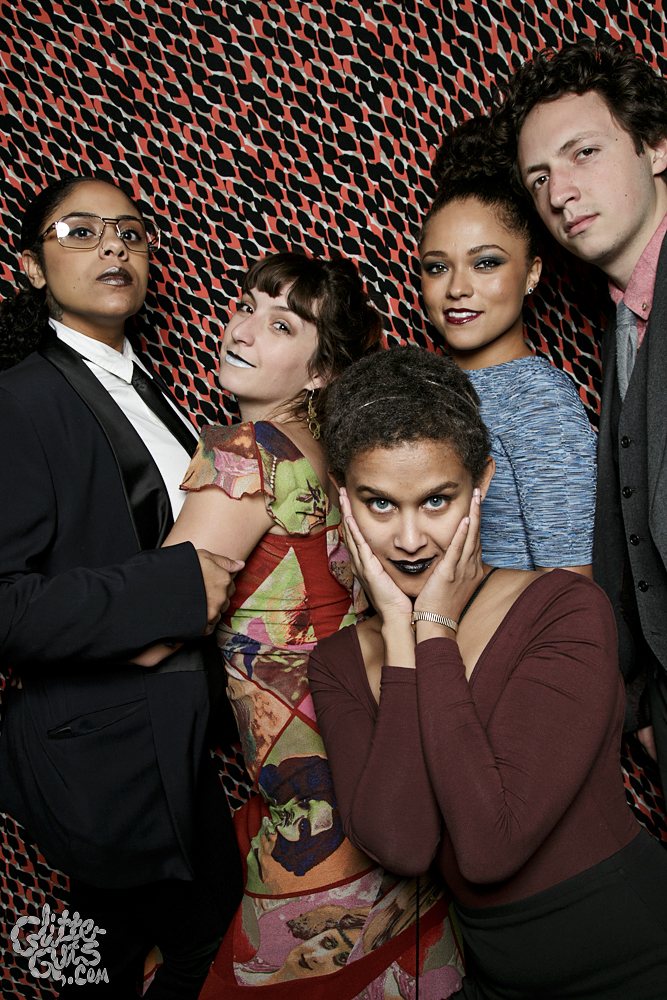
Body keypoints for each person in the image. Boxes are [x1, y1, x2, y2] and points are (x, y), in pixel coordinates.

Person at [308, 345, 667, 1000]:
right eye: (379, 504)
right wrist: (401, 635)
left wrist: (433, 630)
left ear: (482, 483)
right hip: (495, 981)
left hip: (638, 960)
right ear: (342, 496)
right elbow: (405, 844)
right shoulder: (337, 663)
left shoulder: (562, 609)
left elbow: (488, 846)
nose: (409, 539)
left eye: (436, 501)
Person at [163, 253, 465, 999]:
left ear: (322, 370)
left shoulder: (245, 453)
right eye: (246, 306)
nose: (243, 330)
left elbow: (156, 621)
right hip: (371, 757)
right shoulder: (337, 456)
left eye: (282, 324)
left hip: (311, 796)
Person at [0, 174, 243, 998]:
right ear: (32, 266)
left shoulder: (146, 388)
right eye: (80, 231)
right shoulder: (18, 400)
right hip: (99, 747)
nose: (113, 244)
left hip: (165, 730)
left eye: (130, 232)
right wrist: (171, 594)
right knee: (175, 944)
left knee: (117, 950)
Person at [500, 37, 667, 793]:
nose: (560, 192)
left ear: (655, 146)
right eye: (539, 177)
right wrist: (640, 701)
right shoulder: (623, 321)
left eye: (583, 154)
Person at [420, 114, 597, 574]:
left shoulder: (537, 401)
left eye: (486, 263)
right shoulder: (418, 386)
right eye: (437, 267)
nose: (457, 288)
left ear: (532, 273)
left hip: (511, 626)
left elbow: (572, 590)